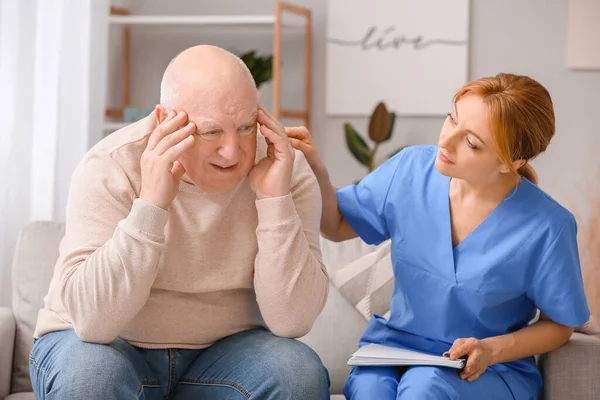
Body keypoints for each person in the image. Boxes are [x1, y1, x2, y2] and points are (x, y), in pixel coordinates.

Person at [29, 45, 330, 400]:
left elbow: (292, 321)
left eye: (246, 126)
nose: (233, 152)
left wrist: (275, 201)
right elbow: (94, 323)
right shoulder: (110, 165)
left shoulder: (284, 168)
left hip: (227, 354)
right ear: (163, 121)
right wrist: (151, 206)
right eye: (210, 132)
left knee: (299, 374)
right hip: (103, 345)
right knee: (90, 377)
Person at [288, 73, 590, 399]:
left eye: (472, 142)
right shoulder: (410, 170)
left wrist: (491, 349)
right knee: (371, 390)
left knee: (425, 387)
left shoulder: (548, 227)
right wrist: (314, 167)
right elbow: (335, 225)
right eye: (452, 119)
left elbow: (559, 325)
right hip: (395, 352)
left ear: (511, 162)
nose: (446, 141)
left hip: (488, 367)